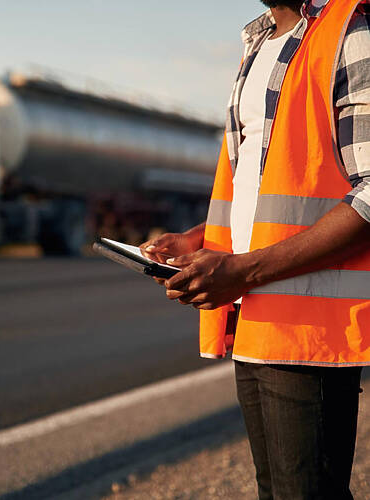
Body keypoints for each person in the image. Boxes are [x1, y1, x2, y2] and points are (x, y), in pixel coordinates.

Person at [141, 1, 370, 498]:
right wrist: (199, 239)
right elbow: (266, 184)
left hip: (310, 325)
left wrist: (243, 270)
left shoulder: (350, 29)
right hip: (255, 313)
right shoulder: (259, 42)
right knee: (278, 490)